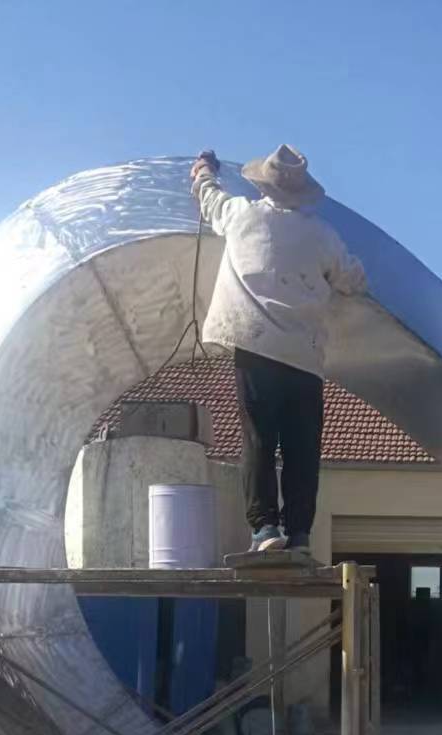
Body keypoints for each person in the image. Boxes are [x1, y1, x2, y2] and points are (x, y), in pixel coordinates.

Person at [189, 145, 367, 553]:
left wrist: (203, 170)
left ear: (263, 185)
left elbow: (208, 197)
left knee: (259, 440)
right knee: (302, 448)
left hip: (256, 349)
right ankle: (300, 533)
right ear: (303, 192)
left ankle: (265, 529)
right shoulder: (323, 235)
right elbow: (352, 280)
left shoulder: (241, 215)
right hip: (304, 356)